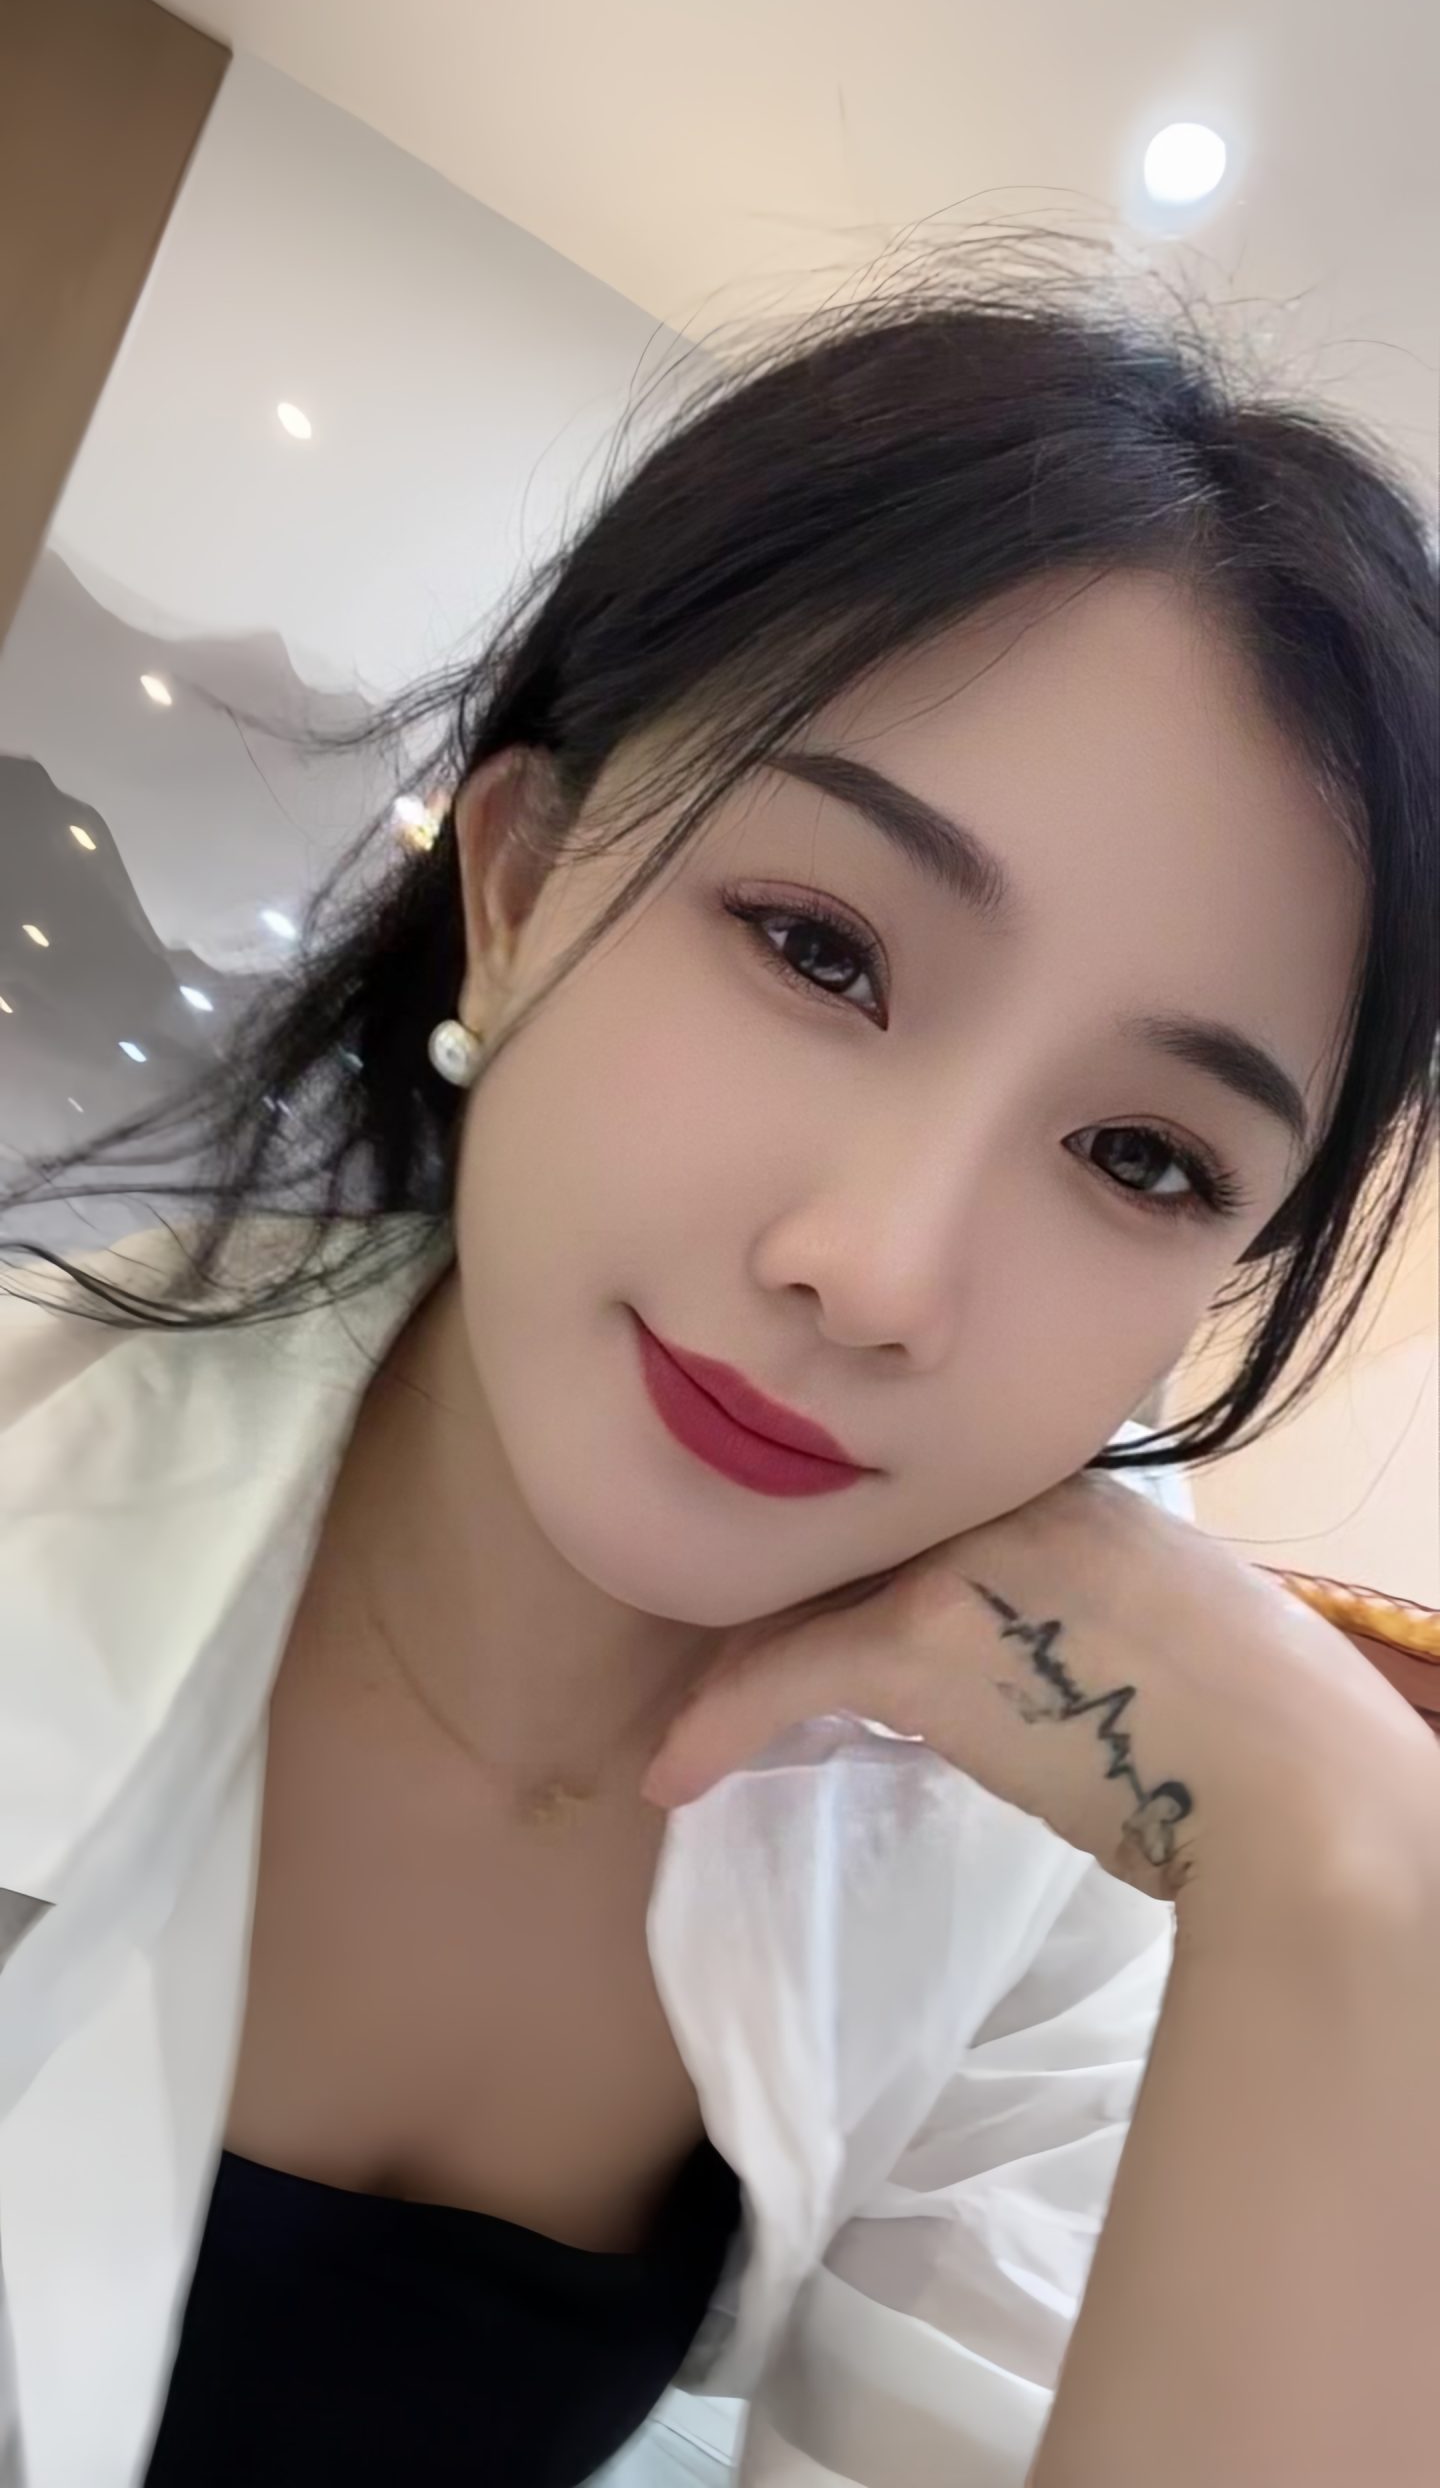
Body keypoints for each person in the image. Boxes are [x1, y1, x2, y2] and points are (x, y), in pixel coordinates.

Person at [1, 243, 1437, 2488]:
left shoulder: (1034, 1856)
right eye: (819, 948)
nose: (877, 1274)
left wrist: (1355, 1861)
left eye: (1143, 1156)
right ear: (517, 891)